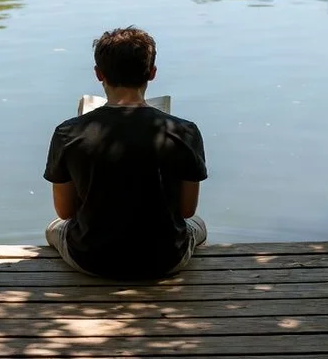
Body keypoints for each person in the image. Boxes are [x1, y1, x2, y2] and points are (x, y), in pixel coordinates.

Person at [43, 27, 208, 280]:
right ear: (152, 73)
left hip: (90, 260)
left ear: (99, 74)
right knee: (199, 225)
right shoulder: (184, 131)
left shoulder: (68, 133)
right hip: (165, 260)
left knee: (53, 228)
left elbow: (64, 212)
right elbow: (186, 210)